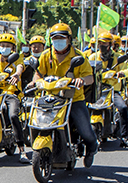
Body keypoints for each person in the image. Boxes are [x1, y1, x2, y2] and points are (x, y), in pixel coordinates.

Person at [31, 22, 98, 167]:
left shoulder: (79, 56)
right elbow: (38, 74)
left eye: (62, 38)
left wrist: (81, 80)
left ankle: (91, 150)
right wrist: (34, 82)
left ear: (69, 39)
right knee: (33, 122)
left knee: (85, 130)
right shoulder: (45, 55)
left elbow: (90, 78)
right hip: (50, 98)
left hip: (73, 99)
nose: (58, 41)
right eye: (55, 38)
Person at [0, 33, 30, 162]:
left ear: (13, 48)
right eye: (2, 45)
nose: (5, 48)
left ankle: (22, 150)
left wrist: (17, 74)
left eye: (8, 46)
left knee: (13, 116)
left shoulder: (17, 60)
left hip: (12, 94)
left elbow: (20, 68)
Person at [95, 31, 128, 148]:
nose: (103, 45)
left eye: (105, 43)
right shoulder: (93, 57)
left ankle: (124, 137)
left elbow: (127, 69)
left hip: (112, 90)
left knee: (122, 107)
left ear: (110, 45)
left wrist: (122, 73)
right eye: (100, 43)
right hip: (96, 89)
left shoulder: (118, 58)